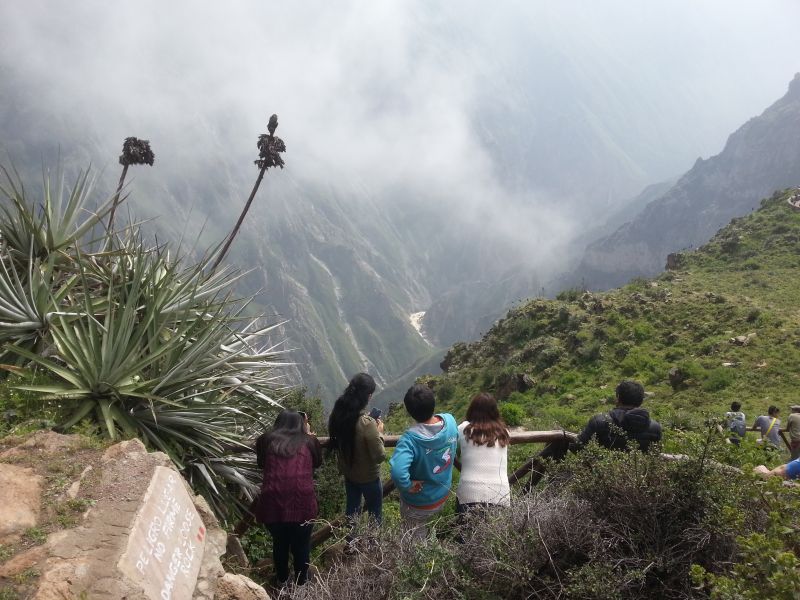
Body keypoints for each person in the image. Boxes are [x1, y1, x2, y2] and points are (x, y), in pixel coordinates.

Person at [254, 410, 322, 586]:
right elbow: (317, 462)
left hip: (271, 504)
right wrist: (309, 436)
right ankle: (301, 583)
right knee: (302, 545)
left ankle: (282, 580)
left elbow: (261, 463)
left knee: (280, 543)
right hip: (303, 504)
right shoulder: (310, 441)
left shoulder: (265, 440)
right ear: (302, 424)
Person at [390, 384, 458, 538]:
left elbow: (398, 472)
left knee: (416, 544)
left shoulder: (409, 440)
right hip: (442, 494)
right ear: (433, 403)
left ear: (409, 412)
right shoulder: (451, 421)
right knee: (433, 529)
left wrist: (408, 485)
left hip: (419, 503)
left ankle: (423, 559)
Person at [327, 373, 386, 523]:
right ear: (368, 396)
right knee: (375, 515)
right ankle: (372, 545)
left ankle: (351, 544)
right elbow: (379, 455)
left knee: (352, 513)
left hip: (349, 474)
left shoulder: (339, 414)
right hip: (369, 477)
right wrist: (379, 432)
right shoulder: (367, 423)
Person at [456, 392, 511, 512]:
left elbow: (454, 453)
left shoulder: (463, 429)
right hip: (501, 495)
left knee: (466, 530)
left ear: (472, 410)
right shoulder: (504, 431)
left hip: (469, 493)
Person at [574, 380, 662, 452]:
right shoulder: (655, 428)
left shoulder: (599, 422)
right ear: (641, 401)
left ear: (618, 398)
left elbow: (577, 447)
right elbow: (655, 456)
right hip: (642, 473)